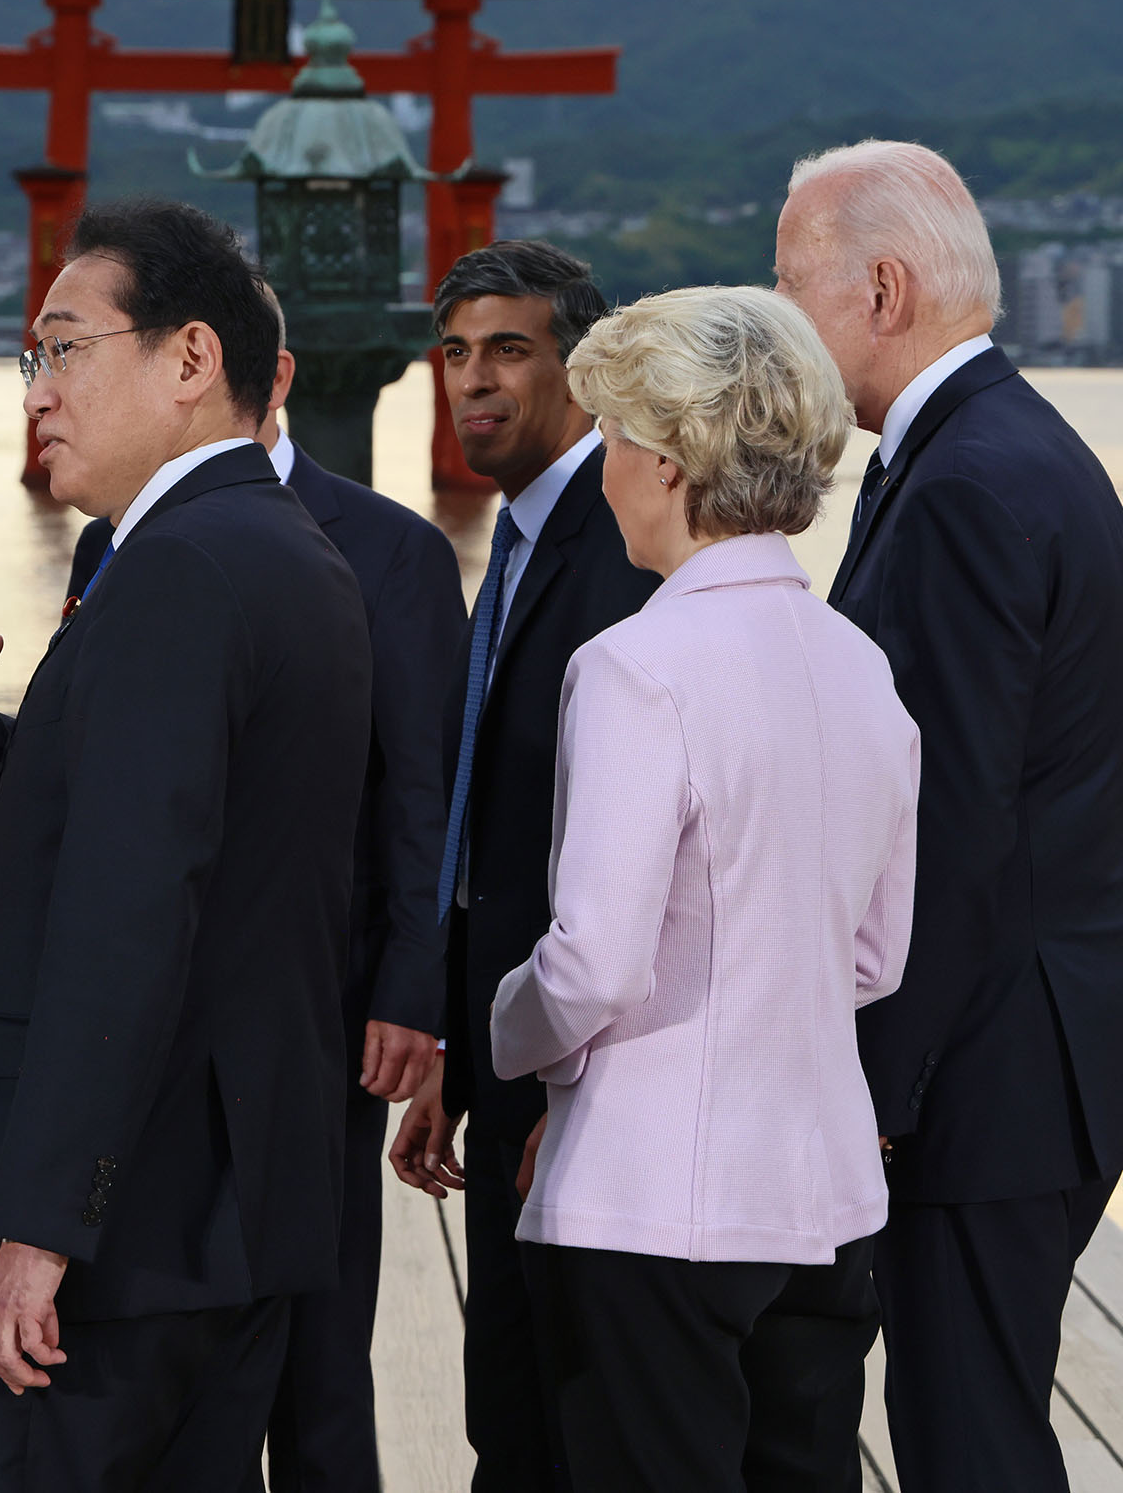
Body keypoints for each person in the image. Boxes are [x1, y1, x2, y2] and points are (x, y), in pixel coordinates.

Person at [0, 198, 370, 1488]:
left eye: (63, 348)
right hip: (227, 1211)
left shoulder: (176, 570)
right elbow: (171, 827)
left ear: (190, 359)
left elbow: (128, 912)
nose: (36, 389)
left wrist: (40, 1224)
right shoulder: (284, 552)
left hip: (113, 1237)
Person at [776, 140, 1123, 1493]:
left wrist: (872, 1086)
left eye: (792, 286)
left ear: (881, 288)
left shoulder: (962, 485)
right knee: (971, 1425)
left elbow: (945, 825)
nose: (783, 323)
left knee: (967, 1442)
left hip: (993, 1061)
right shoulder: (994, 449)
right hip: (1038, 1036)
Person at [488, 285, 919, 1492]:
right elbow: (873, 956)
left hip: (650, 1200)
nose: (605, 467)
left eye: (614, 440)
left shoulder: (635, 664)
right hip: (823, 1189)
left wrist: (508, 1037)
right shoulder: (856, 661)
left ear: (669, 462)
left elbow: (593, 965)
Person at [64, 324, 465, 1493]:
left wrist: (410, 989)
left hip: (324, 1005)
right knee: (184, 1344)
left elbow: (422, 791)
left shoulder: (390, 547)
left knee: (320, 1351)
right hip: (166, 1008)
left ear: (272, 377)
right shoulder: (113, 540)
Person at [382, 241, 655, 1492]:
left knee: (561, 1421)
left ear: (583, 371)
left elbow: (617, 853)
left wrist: (553, 1086)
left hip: (586, 1085)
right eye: (452, 353)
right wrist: (452, 1042)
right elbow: (484, 833)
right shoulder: (524, 535)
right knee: (509, 1404)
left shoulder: (622, 551)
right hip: (508, 1057)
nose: (470, 381)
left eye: (507, 350)